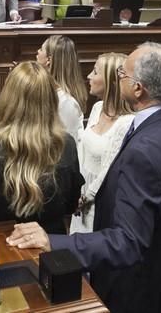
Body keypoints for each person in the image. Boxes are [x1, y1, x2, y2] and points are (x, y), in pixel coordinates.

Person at [7, 42, 161, 313]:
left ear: (138, 89)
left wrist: (52, 242)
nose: (118, 76)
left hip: (142, 282)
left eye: (122, 73)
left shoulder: (144, 153)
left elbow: (128, 242)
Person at [0, 62, 84, 234]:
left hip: (0, 246)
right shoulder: (66, 144)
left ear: (7, 97)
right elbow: (70, 206)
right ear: (50, 99)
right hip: (50, 248)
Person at [69, 52, 133, 234]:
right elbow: (81, 150)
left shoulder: (126, 122)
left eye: (95, 72)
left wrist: (86, 197)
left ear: (111, 81)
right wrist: (75, 190)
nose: (89, 76)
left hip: (99, 200)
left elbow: (109, 167)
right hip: (80, 193)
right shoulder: (97, 108)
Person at [36, 35, 87, 144]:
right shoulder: (45, 90)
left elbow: (67, 145)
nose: (37, 52)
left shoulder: (67, 103)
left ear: (48, 60)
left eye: (41, 49)